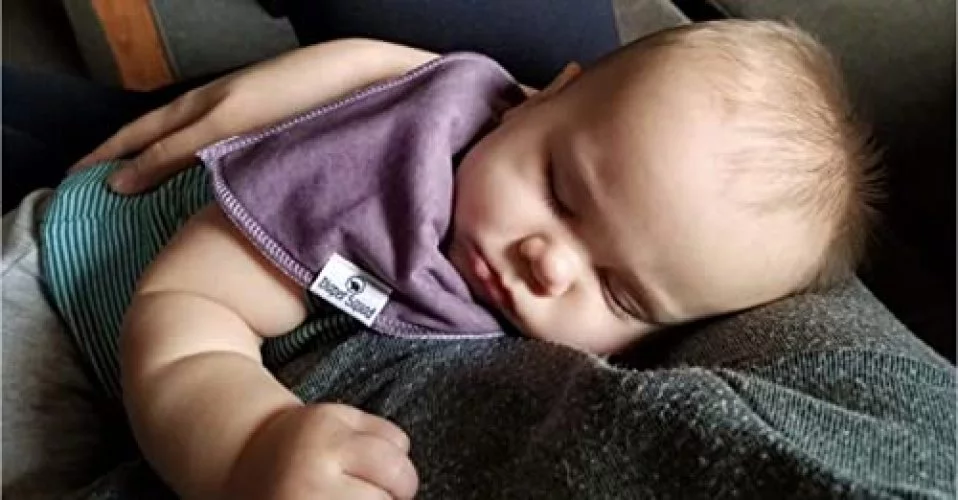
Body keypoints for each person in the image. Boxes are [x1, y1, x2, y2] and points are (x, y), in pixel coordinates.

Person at [4, 17, 952, 500]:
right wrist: (247, 446)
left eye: (619, 292)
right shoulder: (385, 172)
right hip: (69, 283)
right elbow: (186, 307)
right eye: (561, 191)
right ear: (540, 95)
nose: (548, 263)